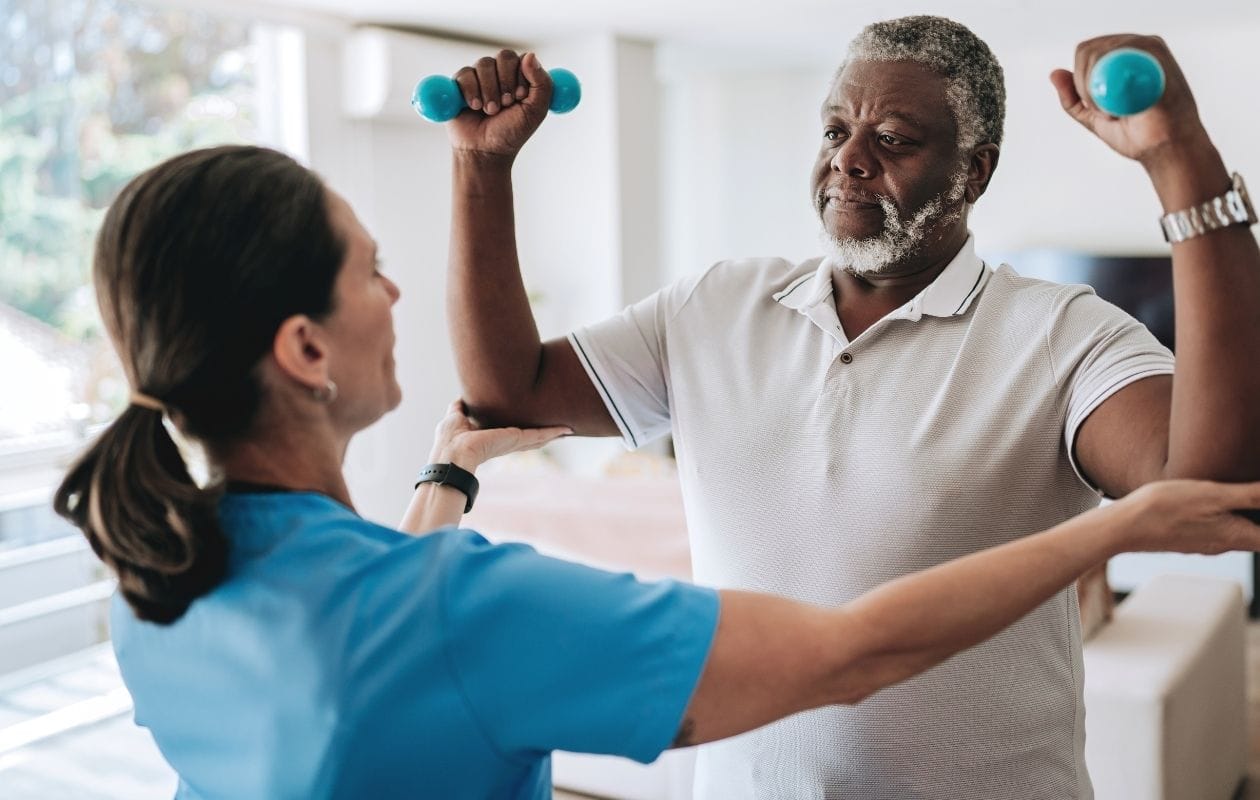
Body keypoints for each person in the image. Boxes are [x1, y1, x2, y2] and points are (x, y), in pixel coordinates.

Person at [51, 145, 1260, 800]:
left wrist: (450, 475)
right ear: (303, 347)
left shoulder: (156, 574)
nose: (396, 290)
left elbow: (372, 633)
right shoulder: (464, 610)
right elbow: (853, 653)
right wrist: (1113, 529)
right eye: (371, 267)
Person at [442, 17, 1260, 799]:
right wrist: (481, 169)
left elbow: (1208, 480)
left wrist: (1179, 162)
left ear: (974, 172)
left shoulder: (1059, 332)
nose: (850, 160)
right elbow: (510, 393)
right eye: (836, 131)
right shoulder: (716, 304)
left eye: (894, 139)